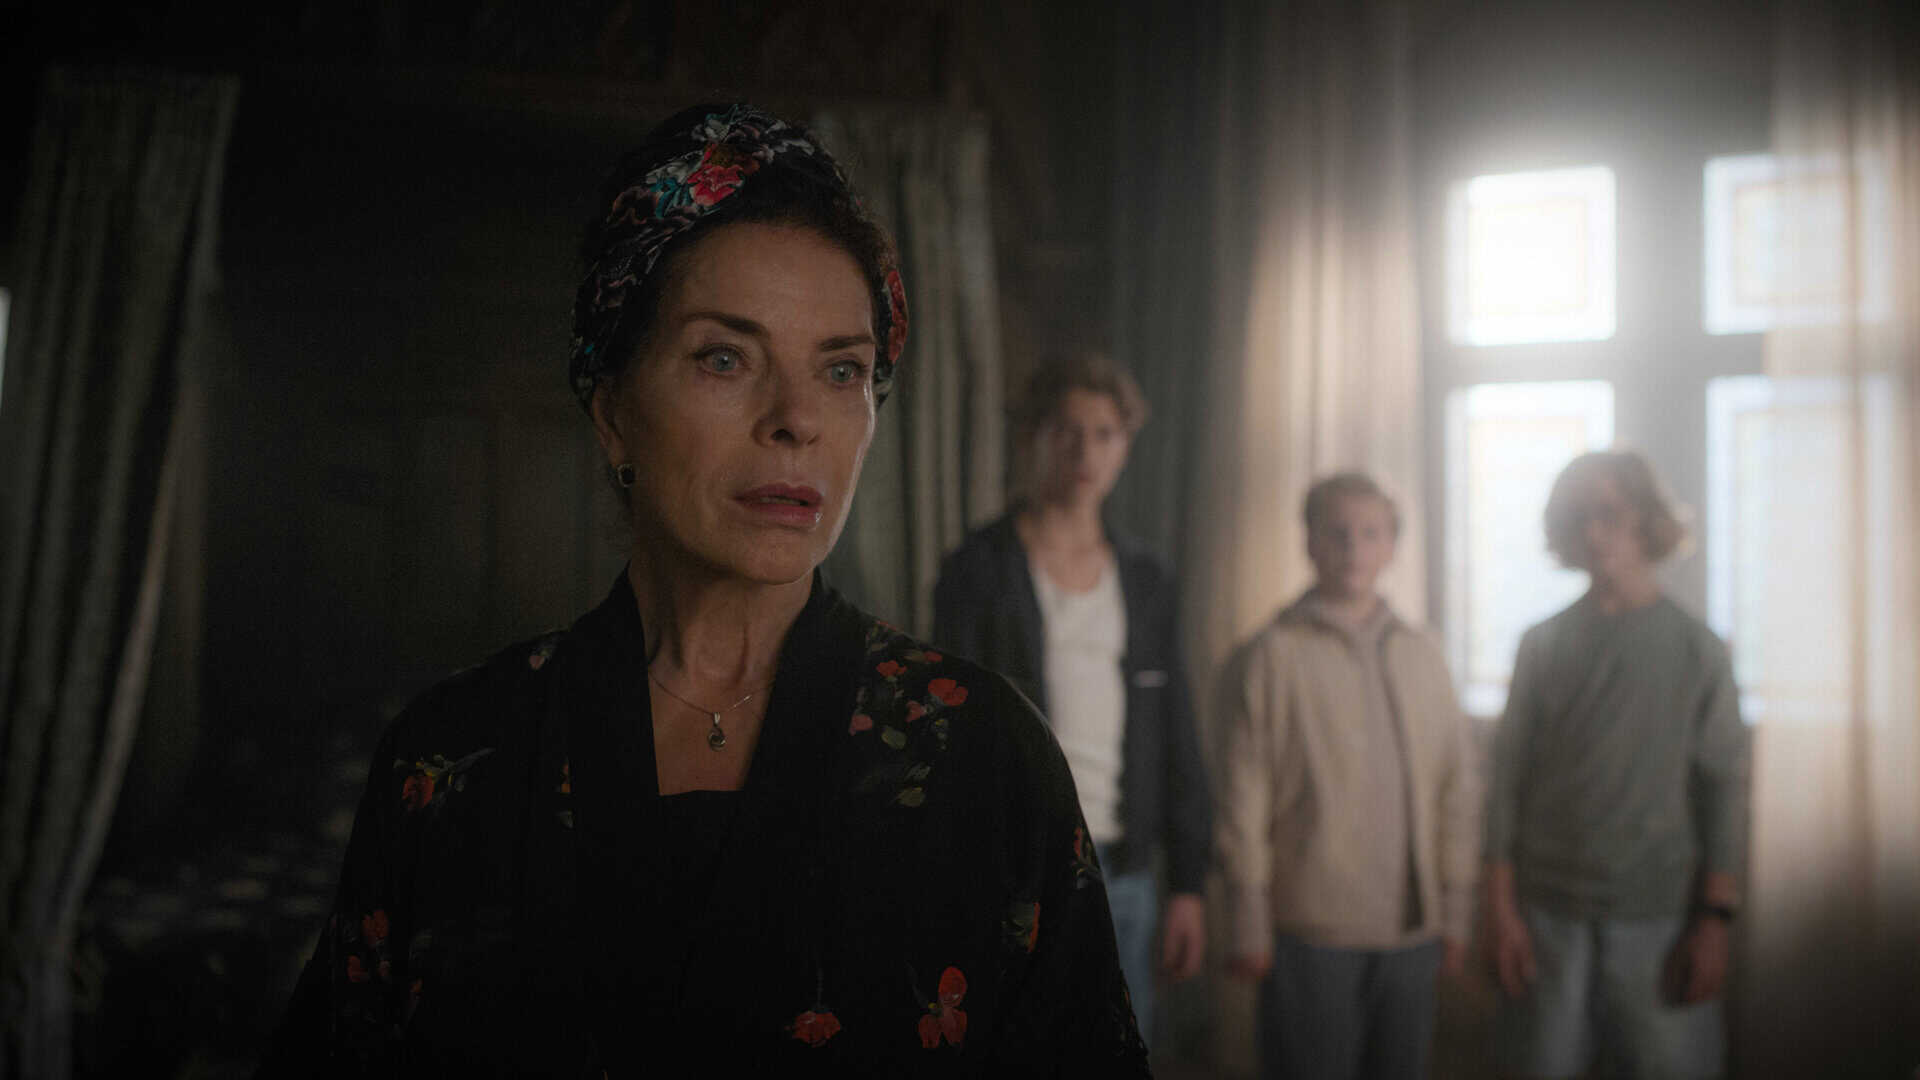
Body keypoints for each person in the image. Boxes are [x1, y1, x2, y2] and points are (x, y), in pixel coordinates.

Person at [260, 104, 1146, 1077]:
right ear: (613, 411)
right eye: (725, 358)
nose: (796, 418)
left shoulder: (986, 756)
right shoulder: (453, 760)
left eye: (841, 369)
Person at [931, 352, 1211, 1046]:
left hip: (1127, 866)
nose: (1086, 451)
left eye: (1105, 433)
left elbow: (1175, 729)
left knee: (1123, 1050)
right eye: (1067, 430)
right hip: (1021, 868)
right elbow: (949, 738)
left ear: (1126, 445)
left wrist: (1189, 884)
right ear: (1034, 436)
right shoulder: (979, 569)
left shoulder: (1146, 578)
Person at [1483, 450, 1750, 1079]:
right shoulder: (1542, 645)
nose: (1594, 531)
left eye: (1609, 513)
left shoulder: (1698, 650)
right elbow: (1505, 781)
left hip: (1658, 913)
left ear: (1645, 519)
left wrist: (1714, 922)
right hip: (1548, 909)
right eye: (1578, 516)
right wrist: (1500, 909)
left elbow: (1724, 790)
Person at [1217, 472, 1482, 1080]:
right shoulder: (1271, 654)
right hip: (1311, 926)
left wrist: (1456, 909)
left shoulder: (1423, 653)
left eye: (1370, 533)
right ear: (1309, 541)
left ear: (1392, 546)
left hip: (1411, 928)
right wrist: (1248, 919)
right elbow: (1242, 795)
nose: (1353, 548)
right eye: (1336, 532)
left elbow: (1458, 787)